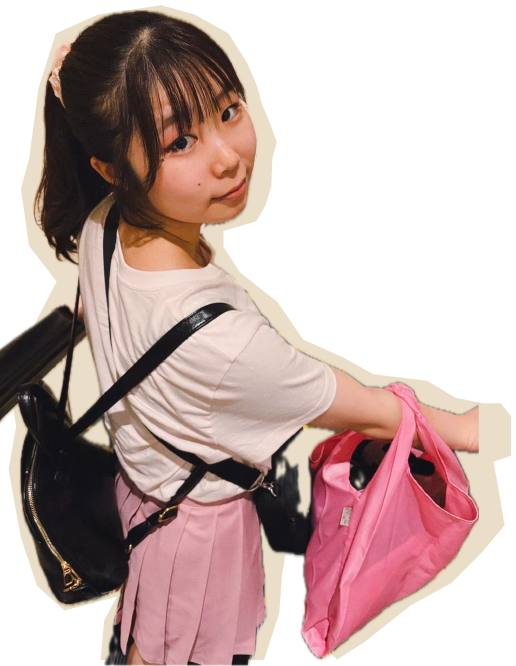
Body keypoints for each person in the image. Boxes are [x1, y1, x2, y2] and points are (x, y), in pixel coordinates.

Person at [36, 10, 479, 666]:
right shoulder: (224, 340)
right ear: (110, 165)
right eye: (180, 142)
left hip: (146, 494)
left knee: (146, 636)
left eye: (228, 109)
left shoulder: (105, 225)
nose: (228, 157)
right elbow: (370, 410)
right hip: (198, 538)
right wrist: (478, 429)